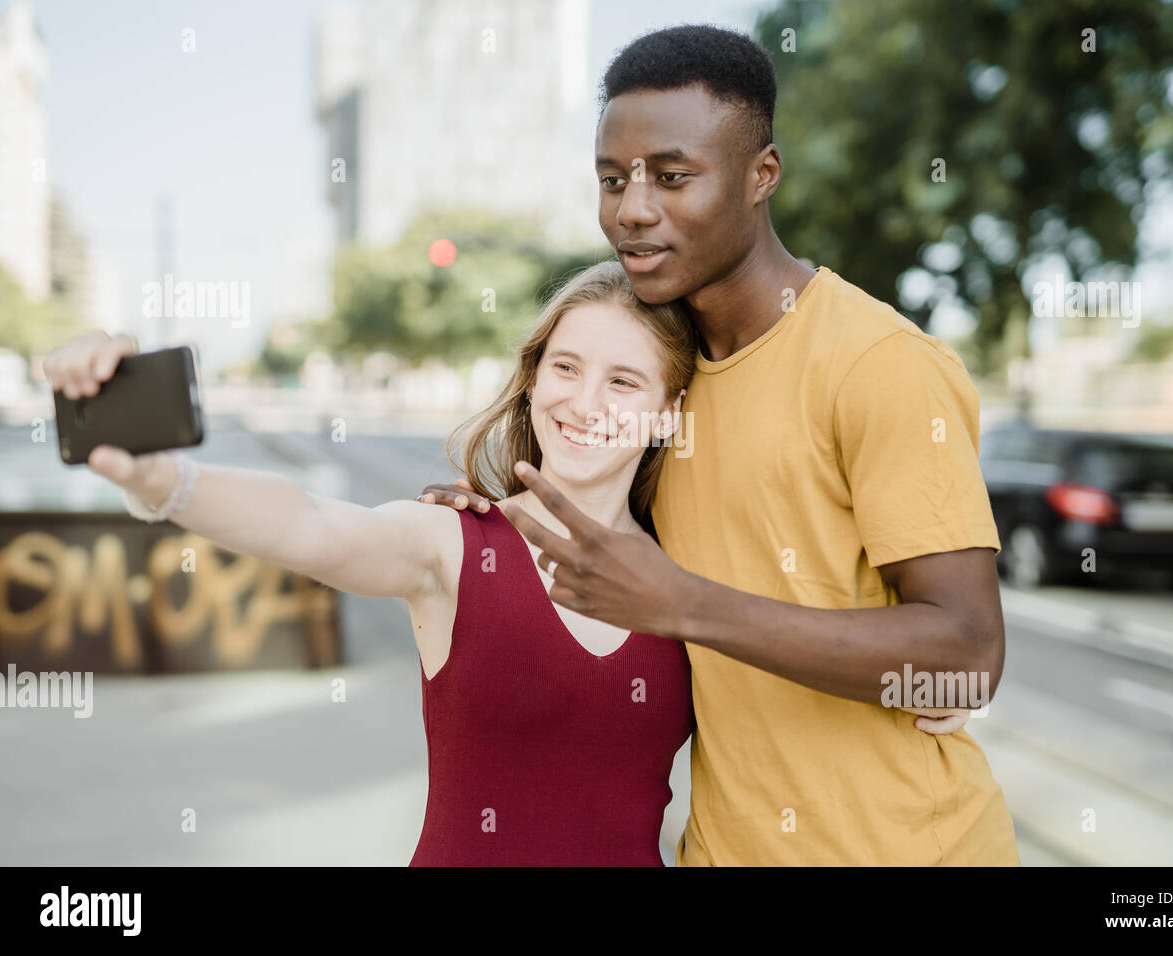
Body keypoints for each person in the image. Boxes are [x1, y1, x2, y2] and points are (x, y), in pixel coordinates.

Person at [421, 25, 1022, 866]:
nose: (632, 208)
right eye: (612, 179)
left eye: (672, 177)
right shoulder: (663, 384)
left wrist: (683, 602)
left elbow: (966, 660)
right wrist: (485, 510)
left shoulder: (877, 365)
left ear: (760, 175)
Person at [44, 261, 702, 866]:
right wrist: (160, 480)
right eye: (566, 368)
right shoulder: (453, 542)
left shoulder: (691, 578)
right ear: (532, 382)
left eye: (622, 381)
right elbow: (311, 525)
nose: (585, 404)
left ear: (669, 414)